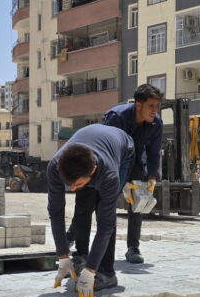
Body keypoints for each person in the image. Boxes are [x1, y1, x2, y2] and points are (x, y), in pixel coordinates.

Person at [68, 84, 163, 265]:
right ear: (138, 105)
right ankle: (80, 250)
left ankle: (133, 248)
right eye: (151, 106)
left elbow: (154, 151)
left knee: (139, 201)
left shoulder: (156, 123)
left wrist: (152, 177)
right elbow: (103, 146)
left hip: (134, 161)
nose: (154, 111)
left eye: (157, 106)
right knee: (89, 201)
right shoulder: (116, 117)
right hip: (109, 161)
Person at [48, 124, 135, 297]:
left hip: (124, 147)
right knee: (84, 205)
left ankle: (107, 272)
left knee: (105, 213)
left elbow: (105, 225)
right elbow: (55, 211)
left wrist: (90, 272)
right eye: (69, 185)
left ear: (93, 171)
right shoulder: (54, 166)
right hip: (92, 144)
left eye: (77, 185)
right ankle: (81, 257)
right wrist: (62, 256)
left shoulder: (109, 175)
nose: (72, 189)